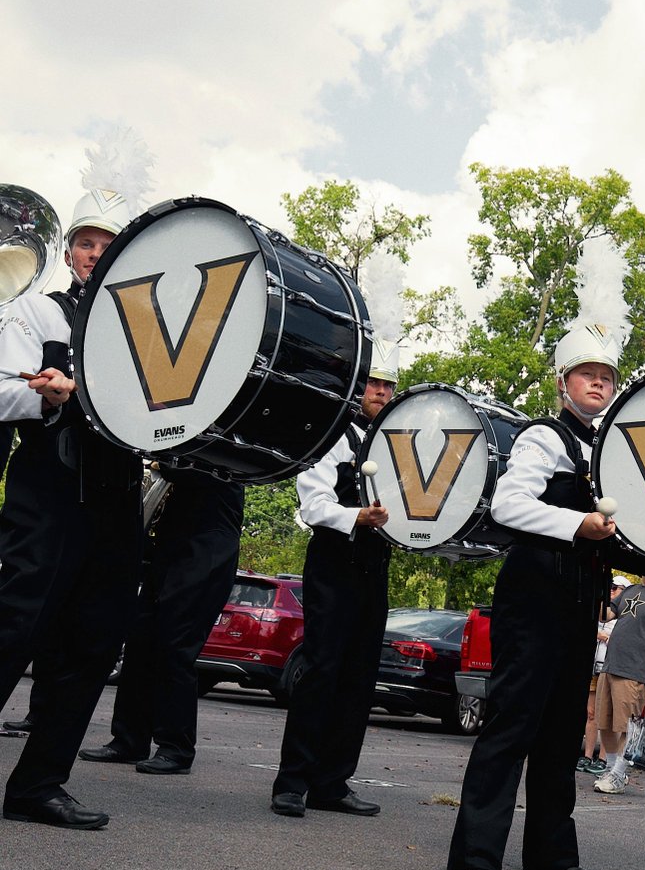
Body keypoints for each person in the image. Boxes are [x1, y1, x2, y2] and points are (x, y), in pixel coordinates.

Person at [445, 325, 621, 870]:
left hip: (577, 599)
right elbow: (509, 503)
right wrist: (578, 525)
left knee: (562, 729)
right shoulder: (542, 437)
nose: (598, 383)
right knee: (513, 721)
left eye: (606, 376)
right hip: (536, 594)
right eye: (587, 374)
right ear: (563, 382)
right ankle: (472, 860)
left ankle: (549, 850)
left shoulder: (604, 449)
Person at [0, 188, 143, 829]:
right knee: (13, 628)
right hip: (49, 492)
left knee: (91, 645)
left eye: (108, 245)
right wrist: (49, 399)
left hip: (116, 500)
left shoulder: (148, 331)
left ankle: (39, 786)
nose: (94, 253)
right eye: (86, 243)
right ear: (68, 251)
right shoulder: (35, 309)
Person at [269, 353, 397, 818]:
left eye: (388, 385)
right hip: (334, 559)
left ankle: (332, 782)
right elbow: (313, 506)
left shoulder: (394, 444)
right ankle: (291, 781)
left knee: (360, 676)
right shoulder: (331, 434)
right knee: (322, 669)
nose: (381, 392)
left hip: (374, 562)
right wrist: (357, 516)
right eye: (373, 383)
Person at [77, 467, 245, 774]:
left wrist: (159, 458)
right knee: (141, 642)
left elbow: (191, 469)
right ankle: (129, 739)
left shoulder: (223, 449)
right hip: (171, 544)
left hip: (206, 547)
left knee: (175, 647)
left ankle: (176, 747)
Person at [592, 572, 645, 794]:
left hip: (635, 671)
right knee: (605, 724)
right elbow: (605, 615)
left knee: (625, 728)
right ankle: (612, 771)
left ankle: (619, 775)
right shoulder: (630, 590)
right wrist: (601, 587)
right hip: (610, 666)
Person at [578, 575, 630, 776]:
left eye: (615, 588)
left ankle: (604, 758)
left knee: (608, 717)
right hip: (594, 666)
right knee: (591, 713)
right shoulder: (603, 611)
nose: (611, 590)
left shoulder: (624, 614)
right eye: (610, 587)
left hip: (611, 669)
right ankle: (588, 755)